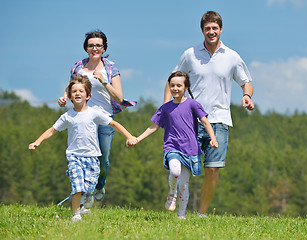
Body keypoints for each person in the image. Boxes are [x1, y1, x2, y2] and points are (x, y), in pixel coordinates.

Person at [164, 11, 255, 217]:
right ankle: (181, 212)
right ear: (202, 30)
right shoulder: (190, 54)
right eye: (207, 29)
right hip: (190, 120)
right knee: (183, 167)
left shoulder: (232, 56)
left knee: (212, 169)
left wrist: (246, 95)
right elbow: (172, 80)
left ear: (221, 29)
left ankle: (202, 213)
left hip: (220, 120)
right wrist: (166, 108)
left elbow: (245, 81)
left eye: (215, 28)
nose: (211, 32)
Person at [30, 75, 137, 221]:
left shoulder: (94, 113)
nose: (77, 94)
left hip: (92, 156)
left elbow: (113, 124)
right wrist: (38, 141)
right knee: (77, 185)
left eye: (81, 91)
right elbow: (52, 130)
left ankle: (87, 198)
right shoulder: (67, 116)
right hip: (74, 156)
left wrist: (129, 136)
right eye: (74, 92)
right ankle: (76, 215)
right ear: (69, 96)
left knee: (89, 187)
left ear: (88, 95)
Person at [129, 71, 218, 219]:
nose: (175, 88)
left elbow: (205, 121)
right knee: (175, 171)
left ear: (186, 86)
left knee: (184, 184)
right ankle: (172, 192)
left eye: (179, 85)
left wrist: (213, 138)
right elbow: (154, 126)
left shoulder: (192, 104)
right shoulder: (165, 108)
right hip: (172, 147)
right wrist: (138, 138)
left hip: (190, 149)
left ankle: (181, 215)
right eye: (172, 85)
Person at [58, 30, 133, 203]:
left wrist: (104, 81)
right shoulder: (78, 67)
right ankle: (86, 193)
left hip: (105, 118)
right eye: (91, 45)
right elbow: (71, 86)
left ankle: (99, 185)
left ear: (104, 47)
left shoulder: (110, 68)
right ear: (86, 48)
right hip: (84, 118)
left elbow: (119, 98)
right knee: (84, 157)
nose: (95, 48)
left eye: (98, 45)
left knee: (103, 160)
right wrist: (64, 97)